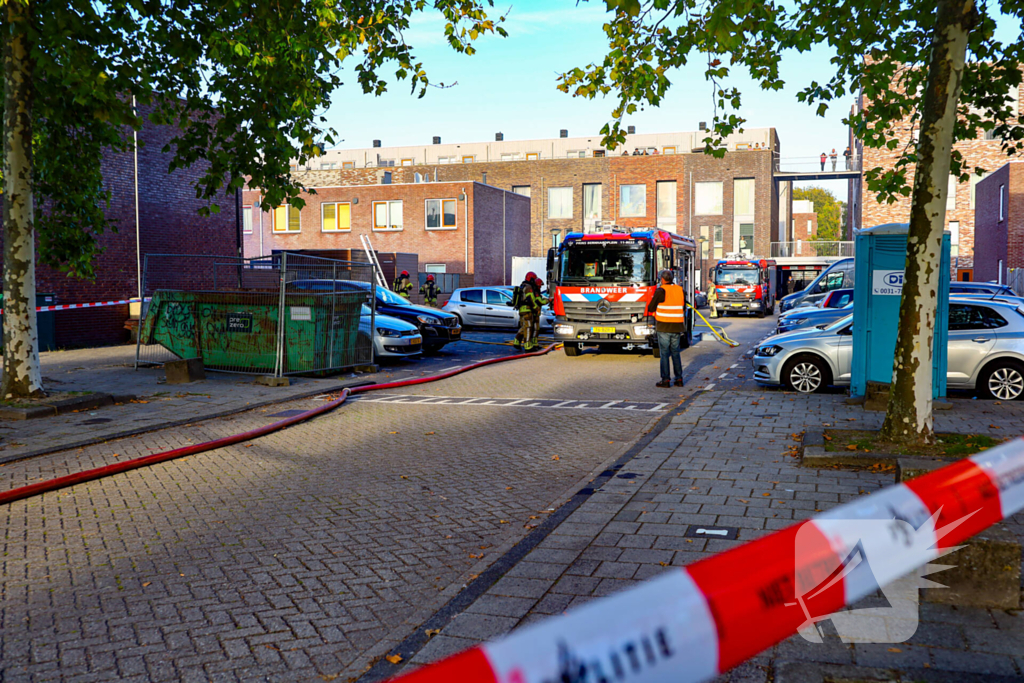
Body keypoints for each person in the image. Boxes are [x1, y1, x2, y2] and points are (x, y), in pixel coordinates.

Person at [647, 270, 685, 388]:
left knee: (664, 353)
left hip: (664, 326)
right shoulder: (680, 290)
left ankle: (666, 380)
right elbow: (683, 307)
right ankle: (679, 379)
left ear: (662, 279)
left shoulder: (661, 290)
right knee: (675, 352)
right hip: (677, 326)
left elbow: (651, 308)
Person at [512, 272, 540, 351]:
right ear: (531, 279)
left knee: (524, 327)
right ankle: (527, 346)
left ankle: (516, 341)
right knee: (528, 327)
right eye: (534, 279)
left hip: (521, 309)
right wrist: (536, 308)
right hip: (527, 310)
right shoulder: (528, 287)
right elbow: (531, 299)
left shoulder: (523, 285)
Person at [530, 276, 548, 347]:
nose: (540, 287)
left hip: (535, 313)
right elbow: (540, 301)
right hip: (534, 313)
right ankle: (533, 343)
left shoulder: (535, 291)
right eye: (540, 286)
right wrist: (548, 300)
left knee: (535, 328)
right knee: (535, 329)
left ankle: (534, 342)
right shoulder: (536, 292)